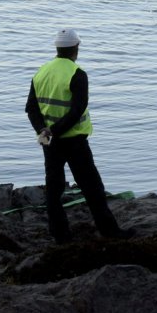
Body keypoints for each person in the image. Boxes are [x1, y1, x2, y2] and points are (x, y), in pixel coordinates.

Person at [24, 29, 129, 243]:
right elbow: (77, 110)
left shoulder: (41, 72)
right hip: (74, 141)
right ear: (76, 48)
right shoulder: (77, 73)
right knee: (92, 188)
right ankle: (110, 232)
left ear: (57, 47)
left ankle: (60, 236)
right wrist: (55, 131)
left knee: (53, 190)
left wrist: (43, 130)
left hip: (50, 142)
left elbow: (31, 109)